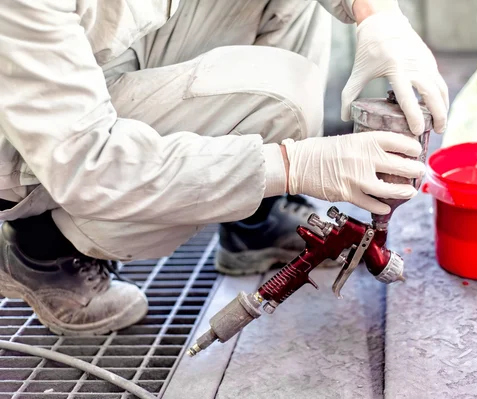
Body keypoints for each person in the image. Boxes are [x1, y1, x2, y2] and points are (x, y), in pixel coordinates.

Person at [0, 0, 449, 335]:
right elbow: (88, 163)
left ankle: (252, 221)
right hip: (38, 144)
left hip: (105, 51)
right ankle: (42, 245)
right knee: (284, 97)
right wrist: (294, 164)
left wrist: (378, 15)